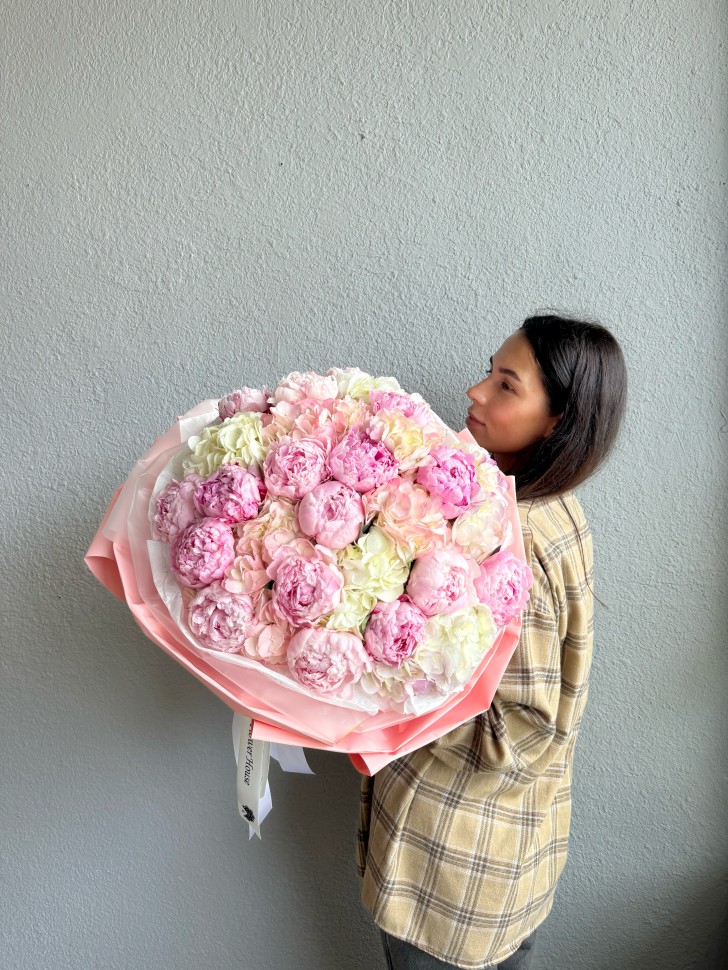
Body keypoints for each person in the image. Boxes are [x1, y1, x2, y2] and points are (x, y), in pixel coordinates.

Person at [357, 314, 628, 970]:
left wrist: (375, 705)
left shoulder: (520, 536)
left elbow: (522, 728)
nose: (476, 392)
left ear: (558, 420)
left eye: (506, 385)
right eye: (489, 372)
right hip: (498, 853)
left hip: (456, 870)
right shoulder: (539, 505)